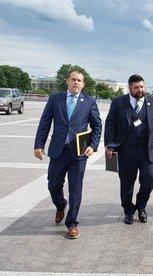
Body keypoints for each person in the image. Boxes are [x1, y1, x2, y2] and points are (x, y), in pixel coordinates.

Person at [34, 71, 102, 239]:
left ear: (83, 84)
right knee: (53, 184)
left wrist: (93, 146)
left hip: (79, 153)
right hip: (58, 150)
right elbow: (45, 122)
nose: (76, 82)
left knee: (76, 189)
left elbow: (97, 125)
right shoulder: (55, 99)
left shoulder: (89, 102)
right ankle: (60, 204)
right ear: (67, 81)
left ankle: (72, 223)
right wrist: (38, 145)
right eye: (73, 79)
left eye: (79, 80)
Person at [104, 74, 153, 225]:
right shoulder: (118, 102)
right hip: (125, 151)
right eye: (136, 87)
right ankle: (128, 210)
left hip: (148, 151)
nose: (140, 90)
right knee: (126, 184)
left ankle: (141, 206)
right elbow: (110, 124)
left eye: (142, 86)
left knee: (150, 179)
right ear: (129, 88)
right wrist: (109, 145)